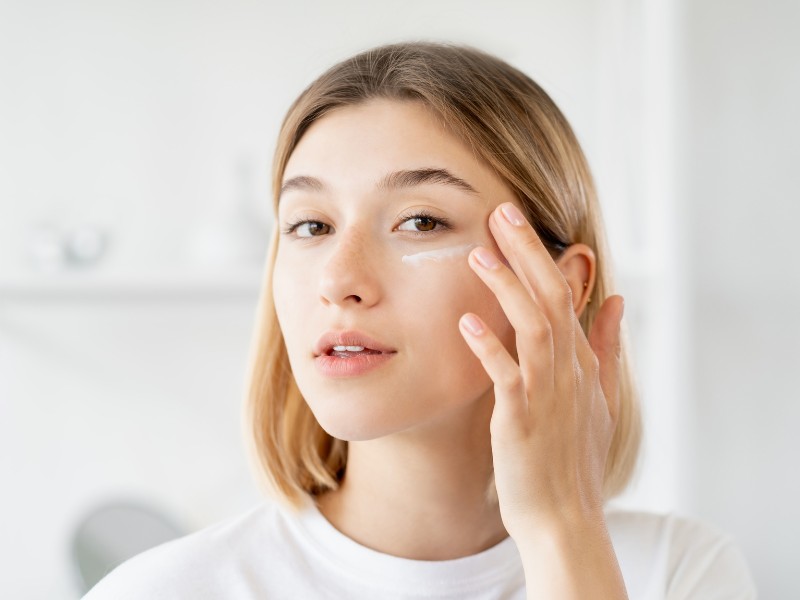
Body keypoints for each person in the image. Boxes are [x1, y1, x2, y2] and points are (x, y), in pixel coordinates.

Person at [85, 41, 757, 599]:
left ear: (559, 285)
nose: (339, 280)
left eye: (420, 221)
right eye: (310, 225)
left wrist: (563, 533)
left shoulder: (676, 573)